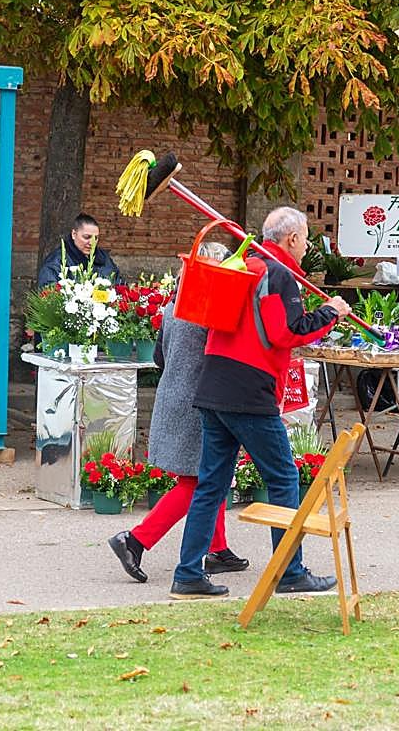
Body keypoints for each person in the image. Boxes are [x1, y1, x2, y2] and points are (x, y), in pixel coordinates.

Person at [170, 206, 352, 600]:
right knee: (283, 477)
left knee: (212, 484)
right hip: (248, 388)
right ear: (291, 239)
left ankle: (187, 574)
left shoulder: (245, 264)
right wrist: (330, 312)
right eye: (305, 238)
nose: (306, 246)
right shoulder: (279, 274)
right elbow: (285, 332)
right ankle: (289, 571)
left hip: (215, 382)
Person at [106, 241, 248, 583]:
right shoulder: (209, 306)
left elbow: (159, 357)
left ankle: (217, 549)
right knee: (196, 482)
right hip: (196, 403)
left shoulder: (175, 304)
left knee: (208, 475)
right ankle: (136, 540)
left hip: (175, 396)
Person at [37, 213, 123, 286]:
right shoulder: (56, 261)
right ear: (74, 234)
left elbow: (120, 286)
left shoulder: (105, 259)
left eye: (95, 238)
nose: (91, 242)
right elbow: (48, 295)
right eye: (87, 237)